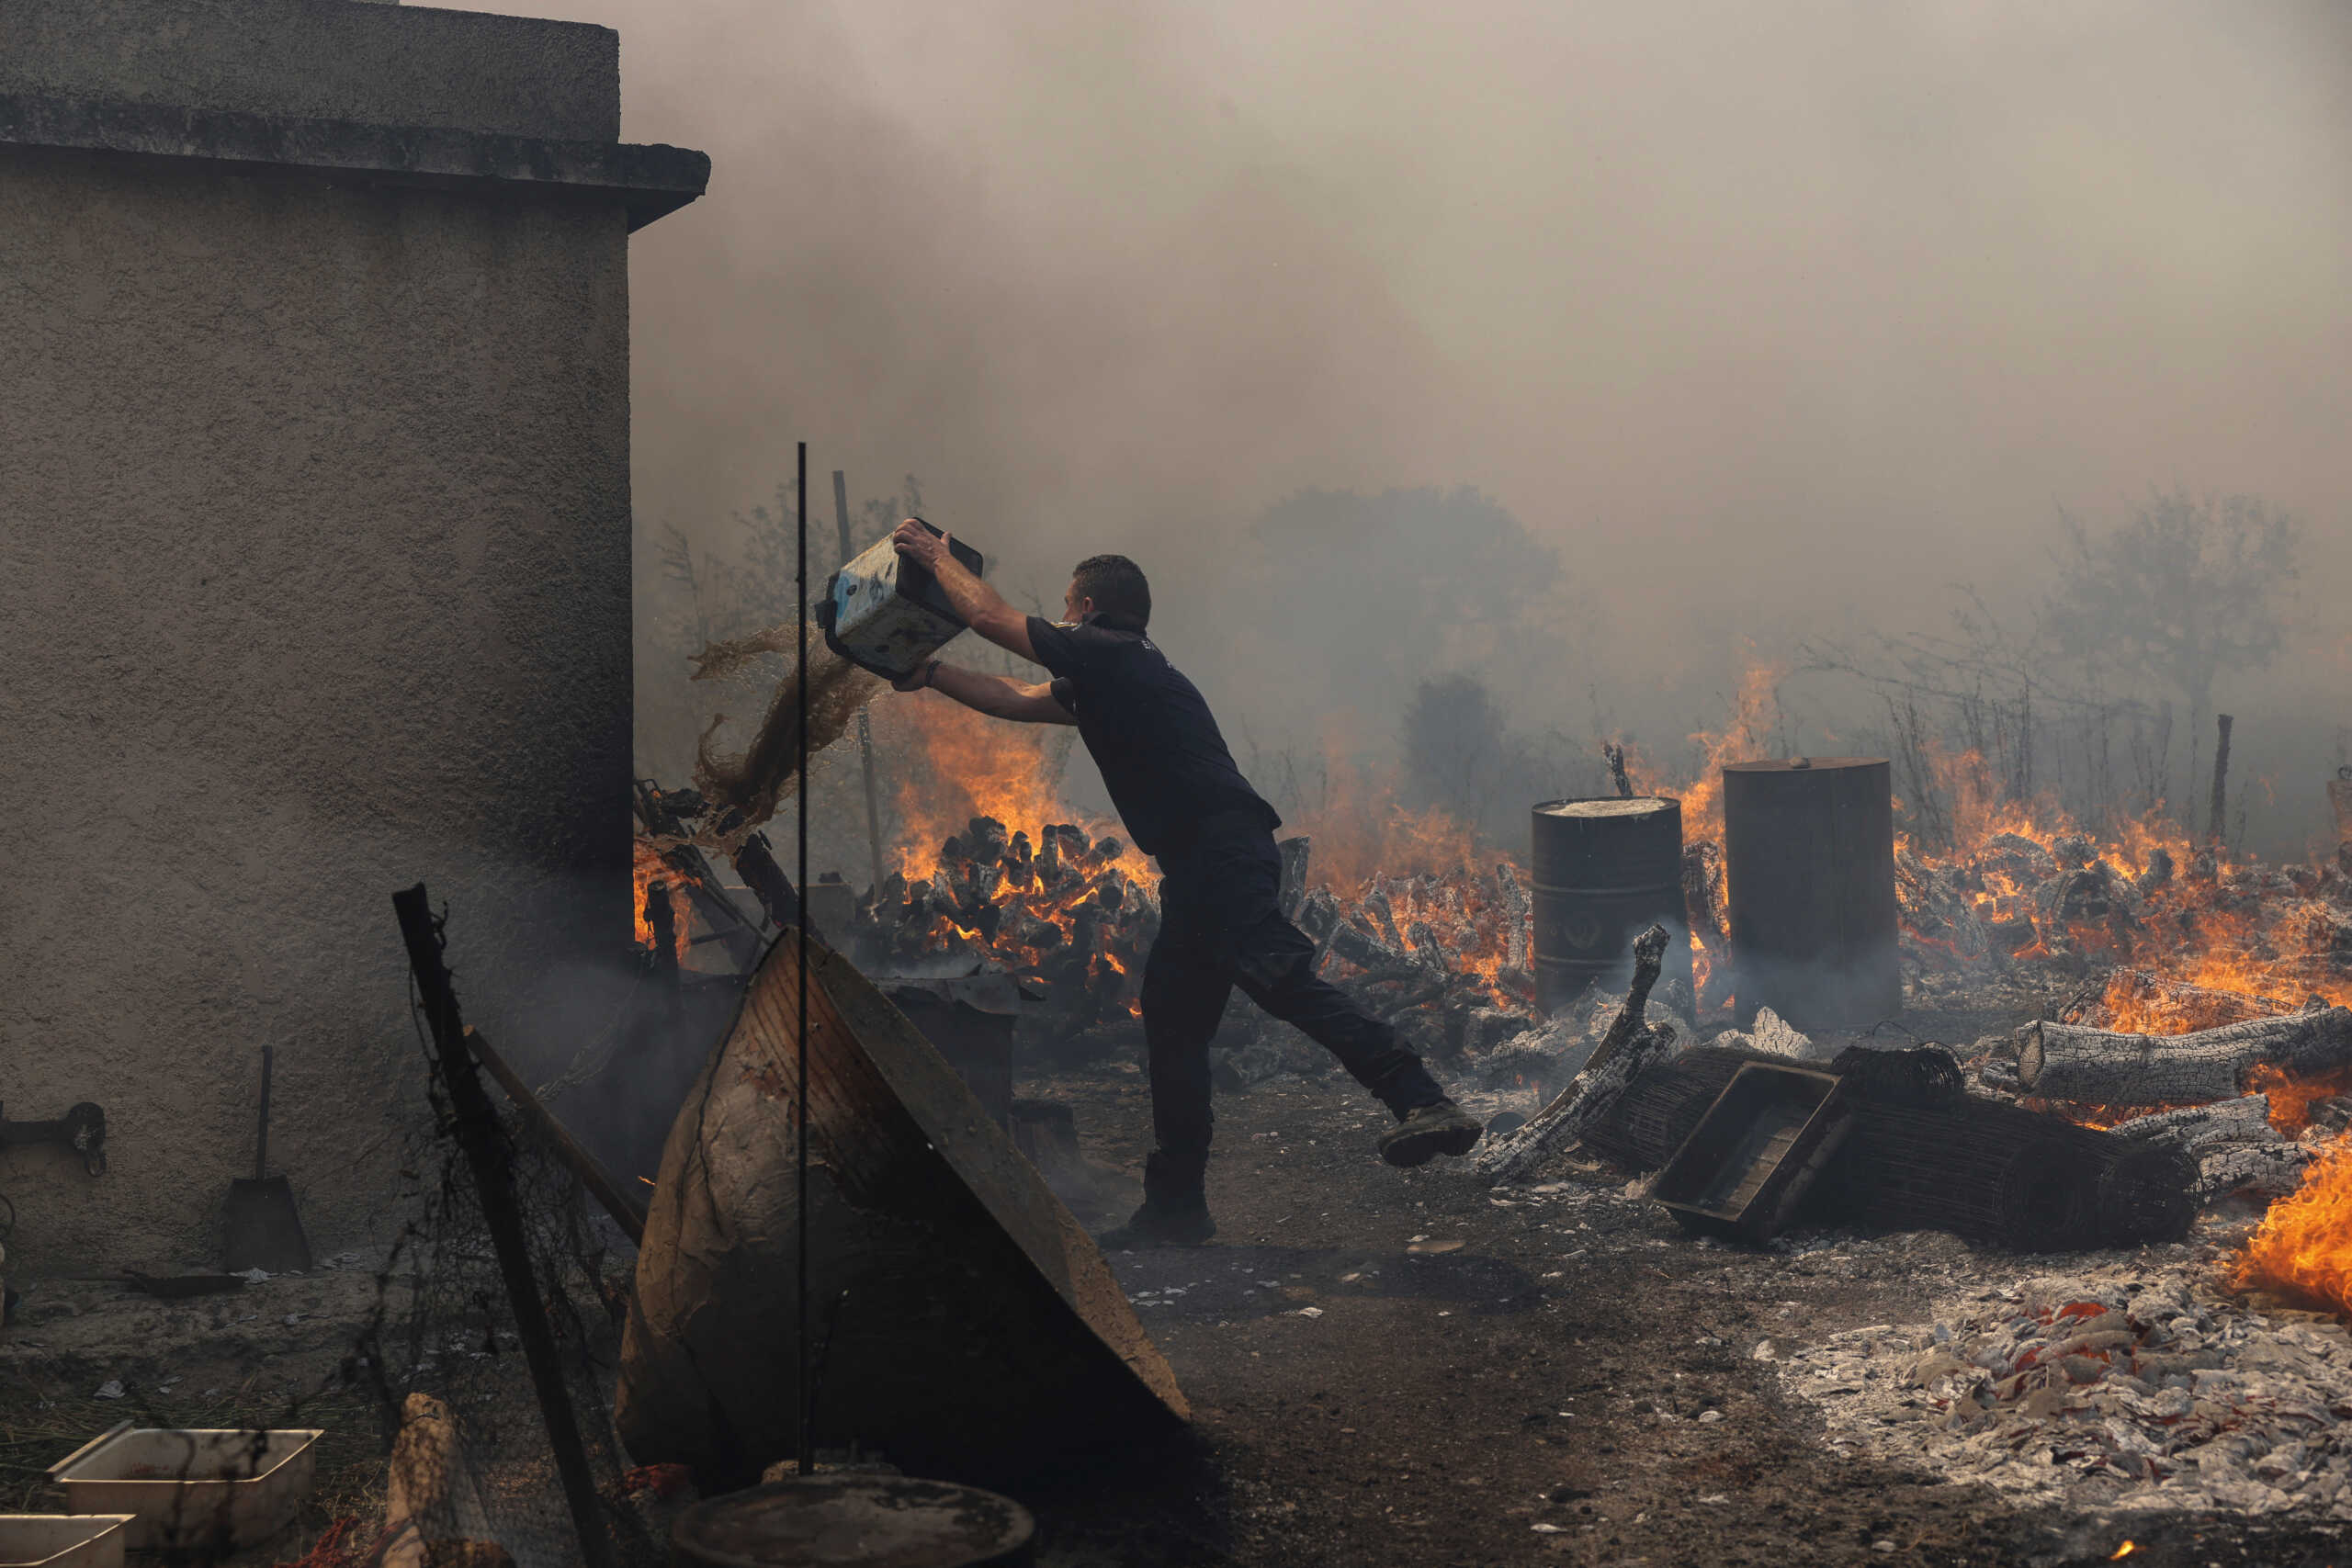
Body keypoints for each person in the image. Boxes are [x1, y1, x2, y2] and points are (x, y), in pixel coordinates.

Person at [886, 520, 1485, 1247]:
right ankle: (1176, 1208)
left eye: (1068, 605)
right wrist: (932, 676)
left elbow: (987, 617)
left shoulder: (1106, 650)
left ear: (1084, 606)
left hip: (1220, 856)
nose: (1063, 616)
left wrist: (934, 557)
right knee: (1171, 1024)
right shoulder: (1117, 670)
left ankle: (1421, 1097)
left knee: (1282, 981)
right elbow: (1017, 696)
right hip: (1205, 864)